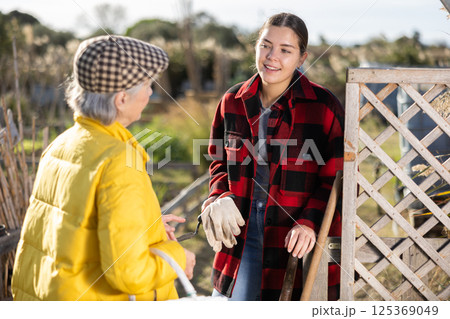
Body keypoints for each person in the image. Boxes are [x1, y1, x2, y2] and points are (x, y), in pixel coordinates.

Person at [11, 35, 195, 301]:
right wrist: (179, 257)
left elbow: (73, 229)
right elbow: (129, 273)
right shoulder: (119, 160)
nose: (151, 93)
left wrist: (148, 225)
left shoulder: (60, 145)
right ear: (121, 99)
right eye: (147, 85)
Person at [201, 12, 344, 301]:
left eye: (285, 50)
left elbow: (337, 179)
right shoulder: (232, 101)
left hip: (294, 241)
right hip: (241, 239)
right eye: (265, 45)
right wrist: (219, 196)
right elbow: (217, 160)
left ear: (302, 58)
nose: (272, 56)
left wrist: (309, 222)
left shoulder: (322, 106)